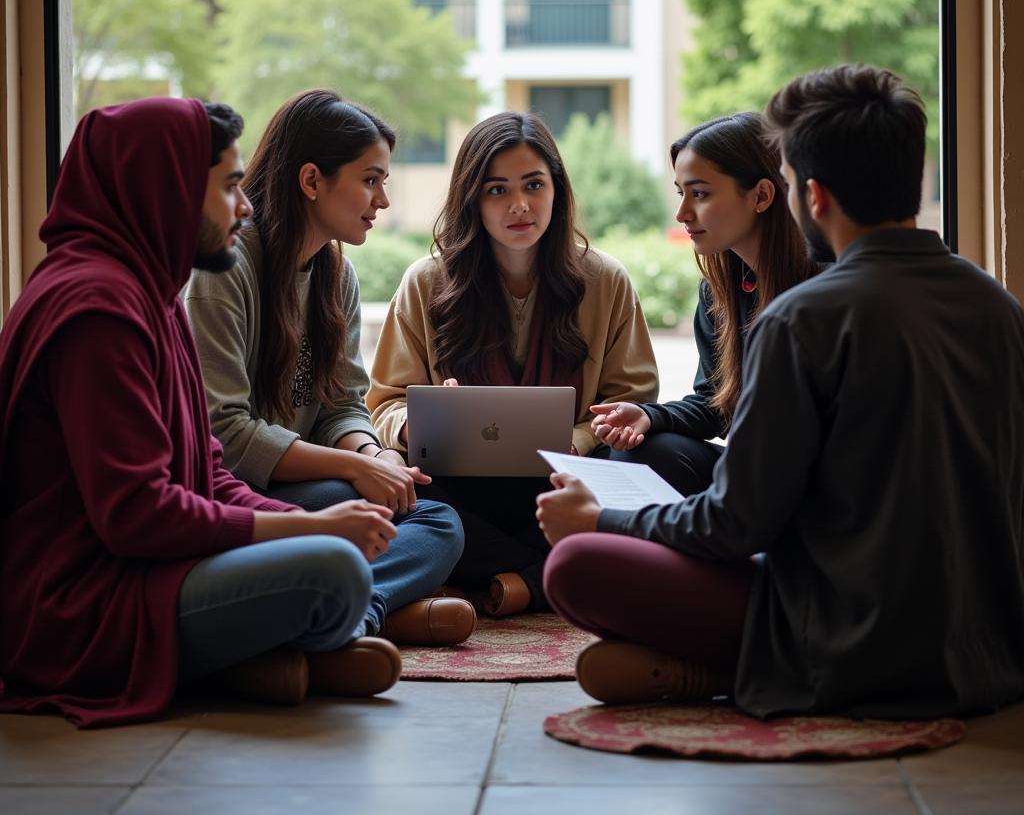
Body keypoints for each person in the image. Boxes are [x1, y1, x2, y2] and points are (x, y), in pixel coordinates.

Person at [537, 64, 1024, 719]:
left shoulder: (802, 317)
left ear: (811, 195)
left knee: (575, 565)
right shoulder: (996, 304)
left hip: (849, 643)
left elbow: (735, 525)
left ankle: (717, 671)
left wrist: (601, 519)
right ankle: (696, 668)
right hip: (987, 650)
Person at [0, 98, 417, 729]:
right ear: (163, 187)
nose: (246, 204)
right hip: (86, 600)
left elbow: (210, 476)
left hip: (156, 565)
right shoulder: (96, 311)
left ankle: (272, 658)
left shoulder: (148, 293)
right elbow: (138, 517)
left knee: (386, 534)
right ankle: (262, 656)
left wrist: (327, 515)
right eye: (227, 186)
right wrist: (313, 531)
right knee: (332, 571)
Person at [185, 89, 475, 648]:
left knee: (438, 520)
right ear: (312, 180)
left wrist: (375, 455)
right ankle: (356, 615)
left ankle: (344, 611)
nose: (383, 201)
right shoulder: (227, 267)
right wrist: (359, 472)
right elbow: (223, 431)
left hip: (305, 487)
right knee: (429, 523)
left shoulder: (335, 276)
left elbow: (343, 404)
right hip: (237, 493)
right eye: (370, 180)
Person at [367, 111, 658, 617]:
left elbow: (632, 398)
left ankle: (489, 579)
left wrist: (580, 440)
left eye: (534, 185)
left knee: (653, 462)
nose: (520, 206)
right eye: (497, 190)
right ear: (472, 200)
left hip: (563, 479)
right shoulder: (425, 282)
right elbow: (385, 401)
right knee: (411, 496)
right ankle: (547, 575)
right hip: (462, 485)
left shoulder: (605, 280)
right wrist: (420, 423)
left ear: (557, 191)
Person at [590, 113, 818, 494]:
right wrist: (648, 416)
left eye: (700, 194)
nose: (681, 214)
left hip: (813, 481)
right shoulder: (721, 289)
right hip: (757, 473)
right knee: (639, 455)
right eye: (681, 193)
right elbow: (715, 405)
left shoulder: (824, 285)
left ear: (761, 195)